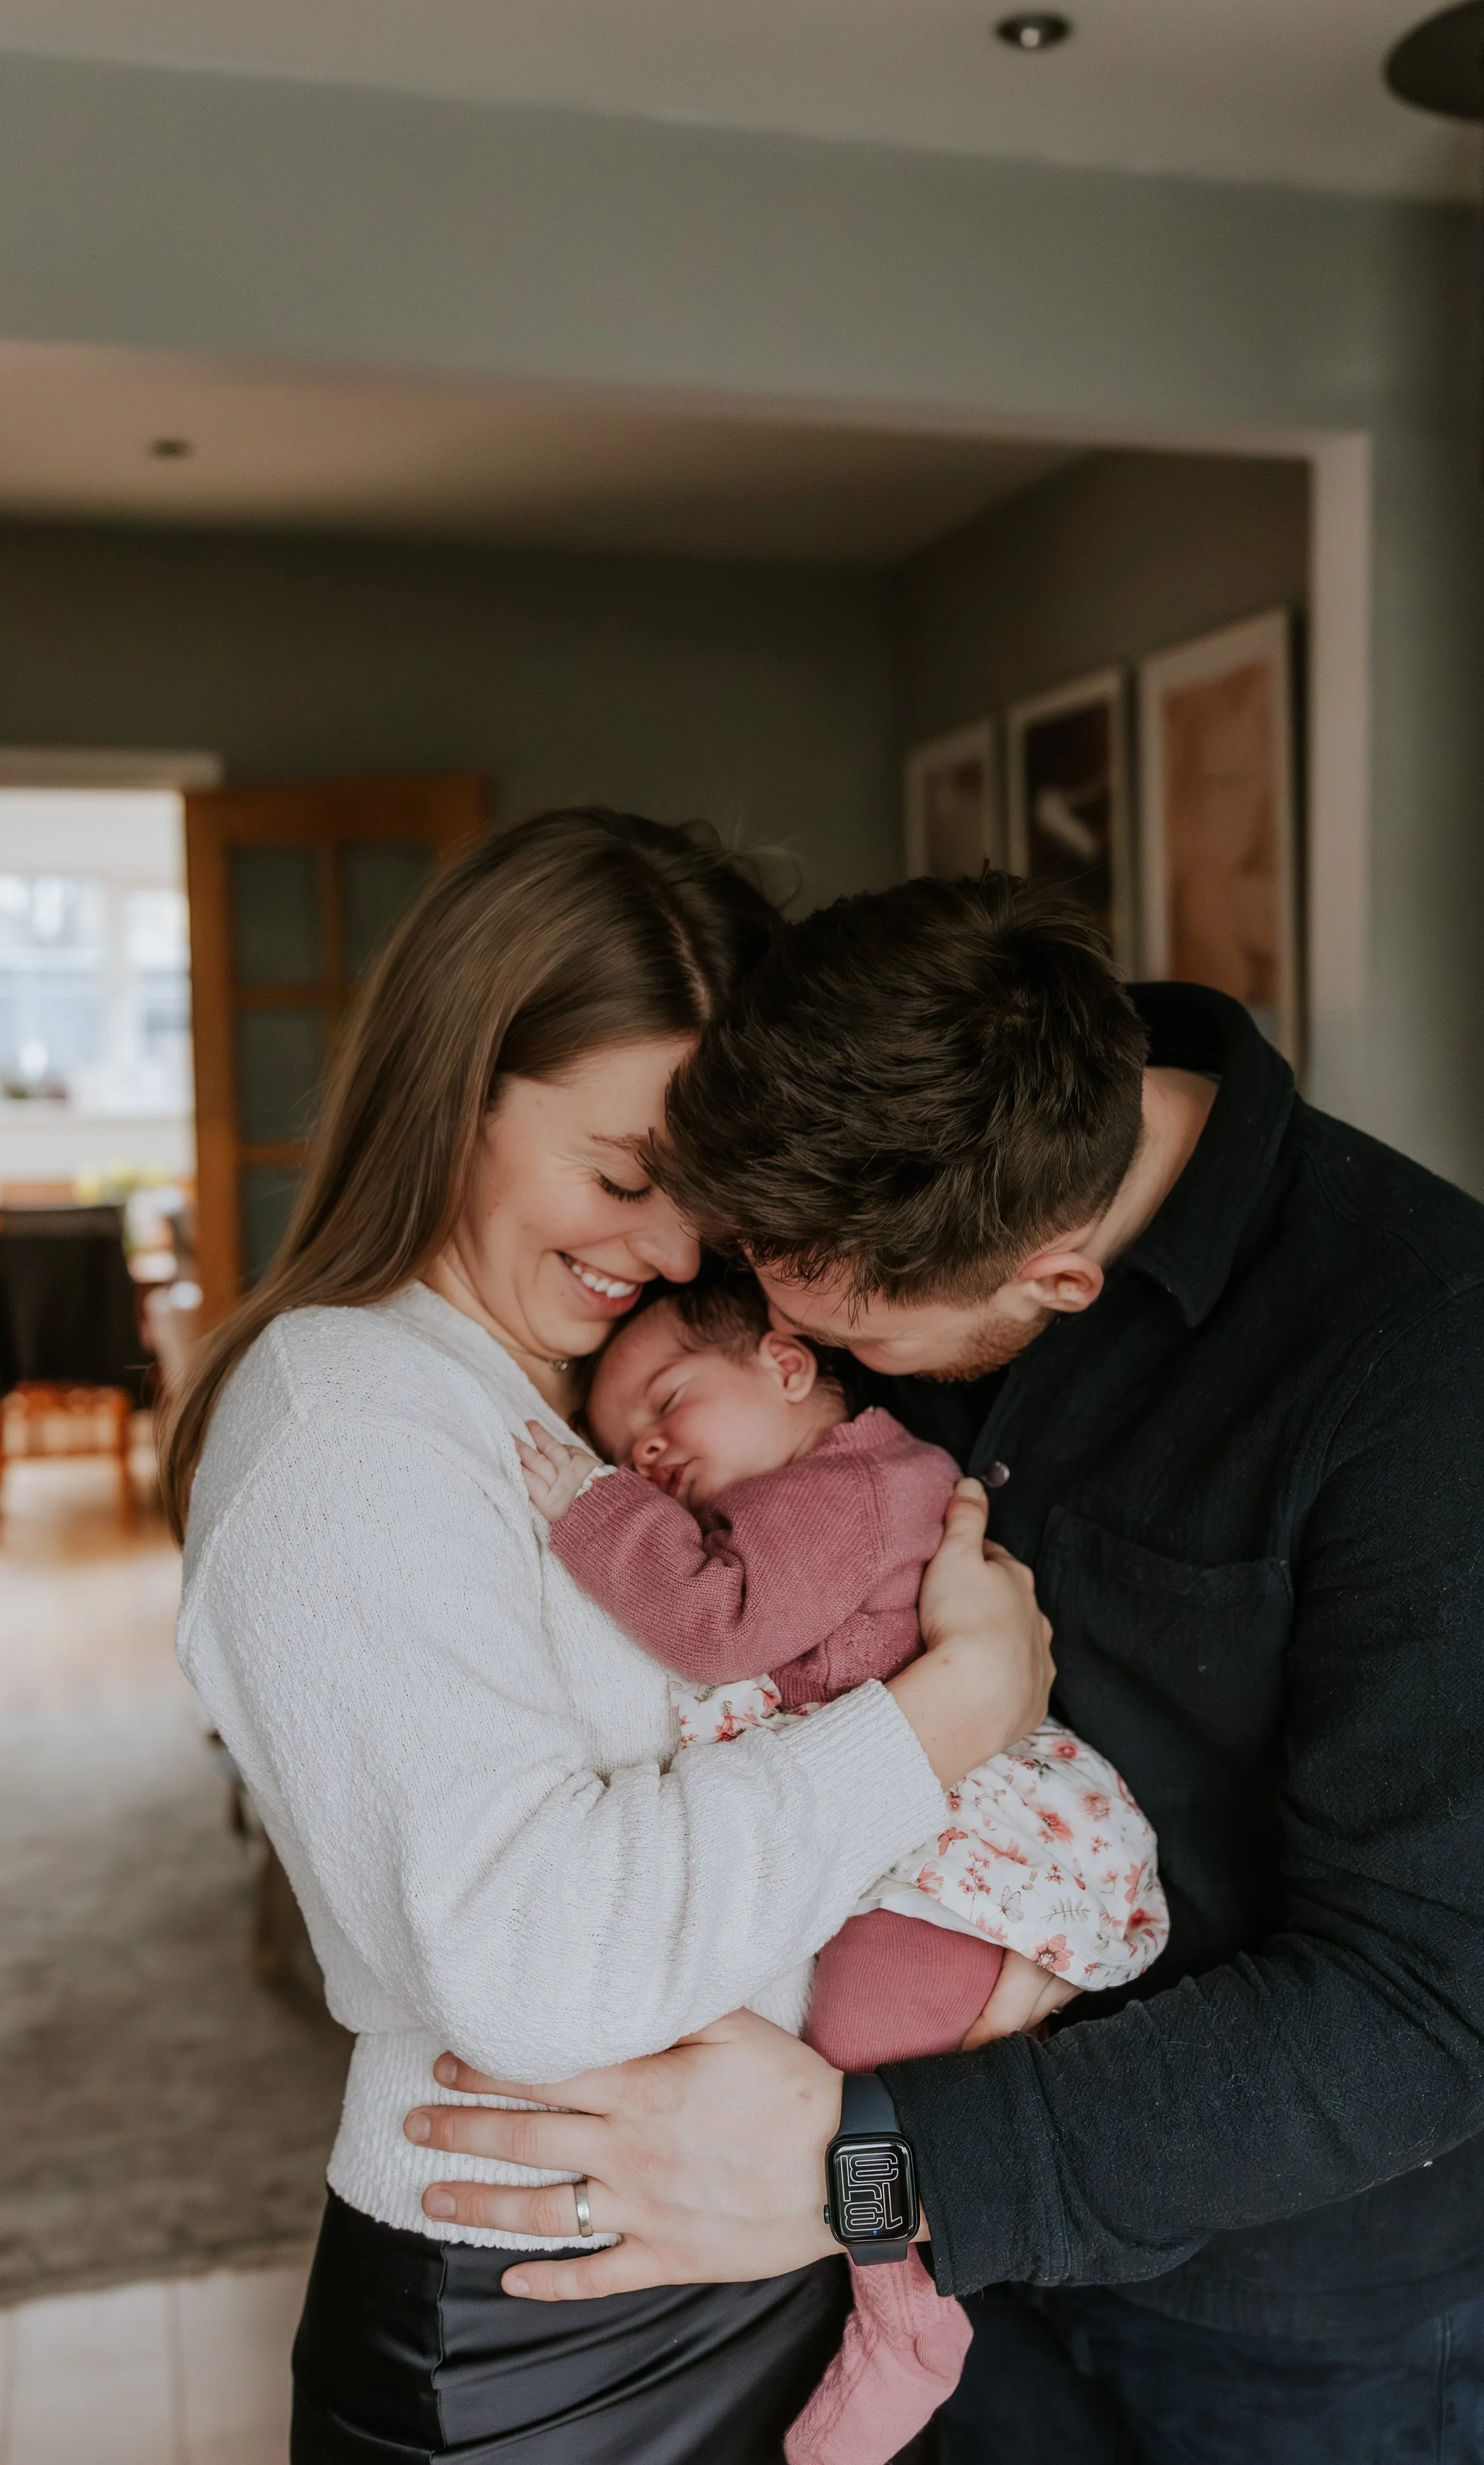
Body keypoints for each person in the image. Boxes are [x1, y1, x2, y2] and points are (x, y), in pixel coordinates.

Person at [407, 871, 1484, 2465]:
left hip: (1284, 2323)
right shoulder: (881, 1191)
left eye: (853, 1338)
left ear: (1056, 1279)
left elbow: (1431, 2011)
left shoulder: (1441, 1361)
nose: (781, 1339)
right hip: (934, 2286)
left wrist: (867, 2169)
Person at [161, 818, 1054, 2465]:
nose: (663, 1255)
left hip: (727, 2237)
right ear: (457, 1085)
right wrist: (948, 1717)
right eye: (623, 1177)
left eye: (700, 1207)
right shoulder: (345, 1423)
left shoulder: (549, 1399)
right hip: (538, 2324)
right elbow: (527, 1959)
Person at [516, 1269, 1165, 2464]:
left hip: (963, 1841)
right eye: (617, 1441)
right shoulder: (832, 1482)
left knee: (860, 2059)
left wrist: (590, 1505)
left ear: (787, 1360)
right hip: (934, 1822)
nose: (646, 1445)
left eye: (669, 1399)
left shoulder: (848, 1485)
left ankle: (906, 2312)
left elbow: (721, 1622)